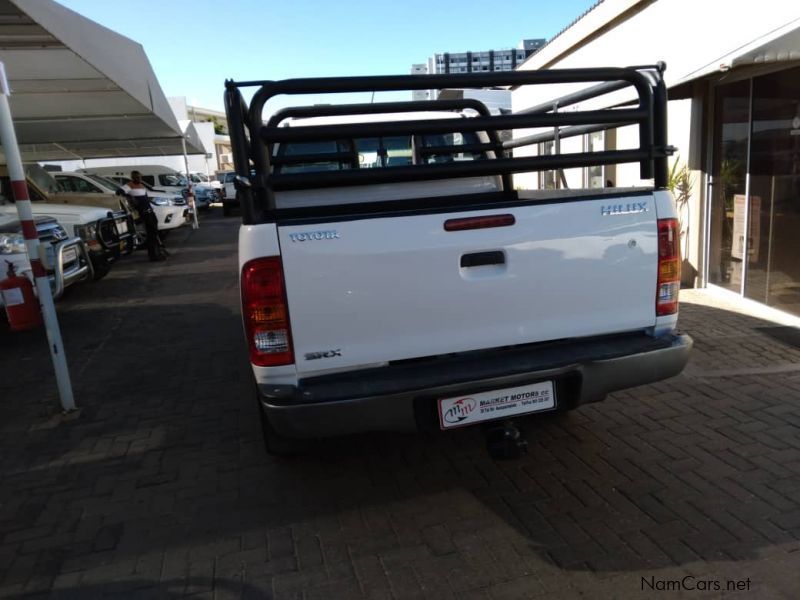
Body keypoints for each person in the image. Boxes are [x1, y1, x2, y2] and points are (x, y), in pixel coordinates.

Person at [121, 171, 166, 262]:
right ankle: (153, 255)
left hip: (149, 210)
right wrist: (130, 197)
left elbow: (145, 198)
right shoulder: (129, 185)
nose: (139, 179)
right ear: (133, 177)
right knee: (151, 233)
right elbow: (119, 192)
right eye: (137, 177)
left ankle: (158, 251)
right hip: (142, 212)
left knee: (155, 231)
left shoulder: (142, 186)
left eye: (140, 177)